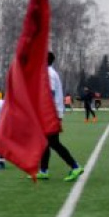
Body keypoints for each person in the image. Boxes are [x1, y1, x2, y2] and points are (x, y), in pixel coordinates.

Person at [36, 52, 84, 181]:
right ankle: (43, 171)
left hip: (51, 113)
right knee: (45, 142)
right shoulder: (49, 73)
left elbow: (49, 94)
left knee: (53, 143)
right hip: (51, 113)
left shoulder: (49, 74)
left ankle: (75, 166)